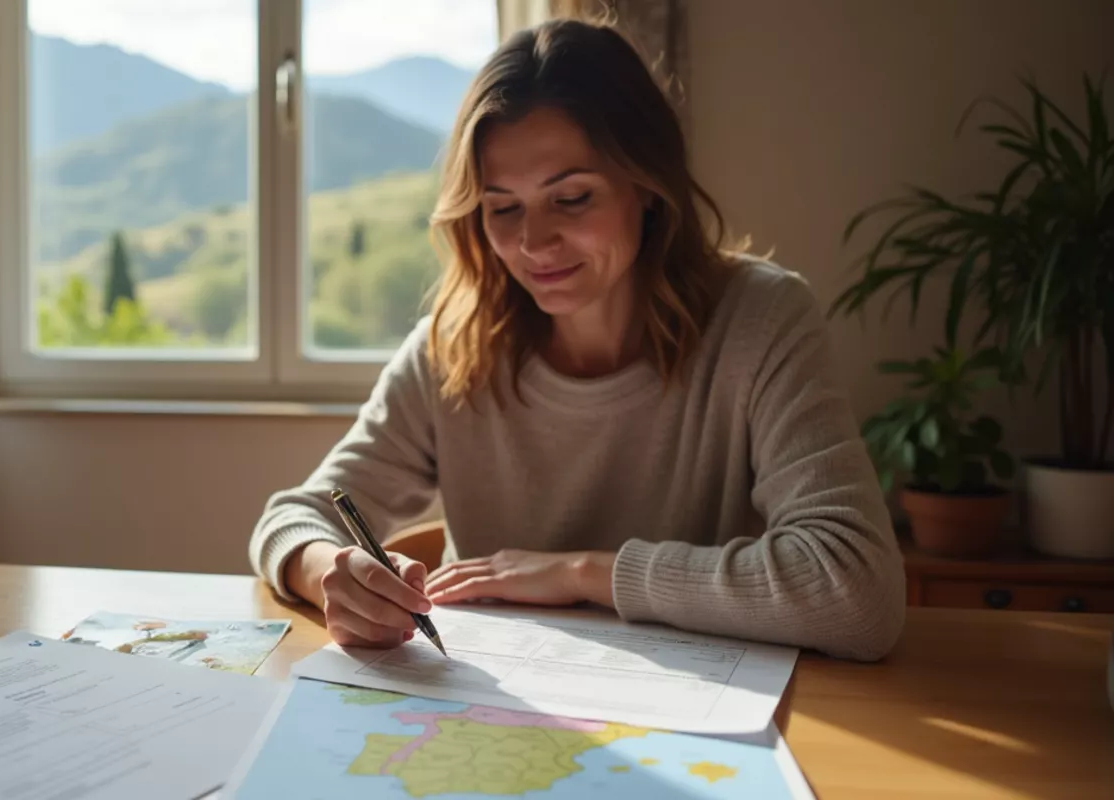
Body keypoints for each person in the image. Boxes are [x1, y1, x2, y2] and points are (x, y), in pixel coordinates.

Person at [248, 18, 906, 662]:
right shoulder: (453, 347)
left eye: (571, 198)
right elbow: (294, 516)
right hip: (490, 720)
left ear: (647, 188)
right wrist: (330, 571)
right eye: (503, 208)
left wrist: (582, 574)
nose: (533, 243)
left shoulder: (760, 319)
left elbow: (855, 589)